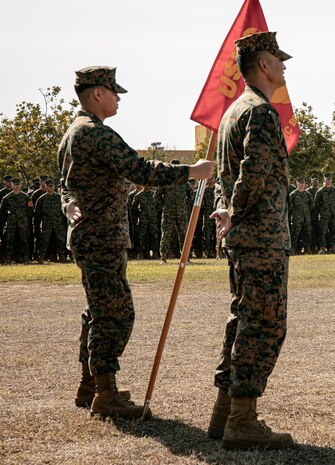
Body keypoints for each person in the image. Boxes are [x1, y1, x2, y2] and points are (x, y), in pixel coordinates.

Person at [58, 66, 214, 419]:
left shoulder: (71, 134)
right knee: (116, 313)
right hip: (101, 237)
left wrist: (67, 201)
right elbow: (141, 170)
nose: (118, 99)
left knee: (98, 311)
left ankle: (92, 386)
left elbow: (66, 184)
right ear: (97, 93)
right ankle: (105, 393)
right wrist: (191, 171)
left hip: (92, 236)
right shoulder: (94, 134)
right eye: (114, 92)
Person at [208, 32, 295, 450]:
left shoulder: (231, 113)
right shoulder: (260, 112)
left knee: (242, 319)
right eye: (279, 61)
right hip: (260, 235)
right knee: (263, 324)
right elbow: (253, 175)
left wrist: (228, 211)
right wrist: (235, 211)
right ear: (263, 64)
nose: (283, 67)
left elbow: (229, 178)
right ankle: (242, 419)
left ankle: (224, 414)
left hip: (244, 235)